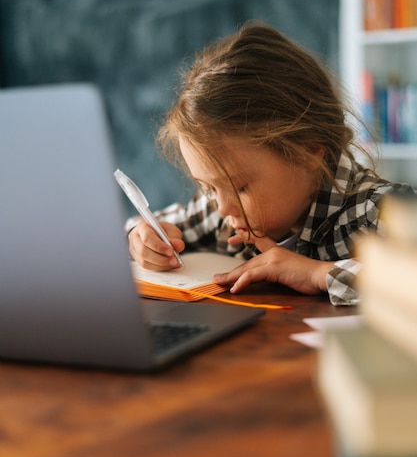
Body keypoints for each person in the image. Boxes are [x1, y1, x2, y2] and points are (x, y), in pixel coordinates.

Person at [127, 21, 414, 306]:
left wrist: (318, 274)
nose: (223, 207)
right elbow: (142, 230)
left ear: (308, 152)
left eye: (239, 187)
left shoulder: (379, 209)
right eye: (209, 188)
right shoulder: (220, 213)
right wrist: (143, 238)